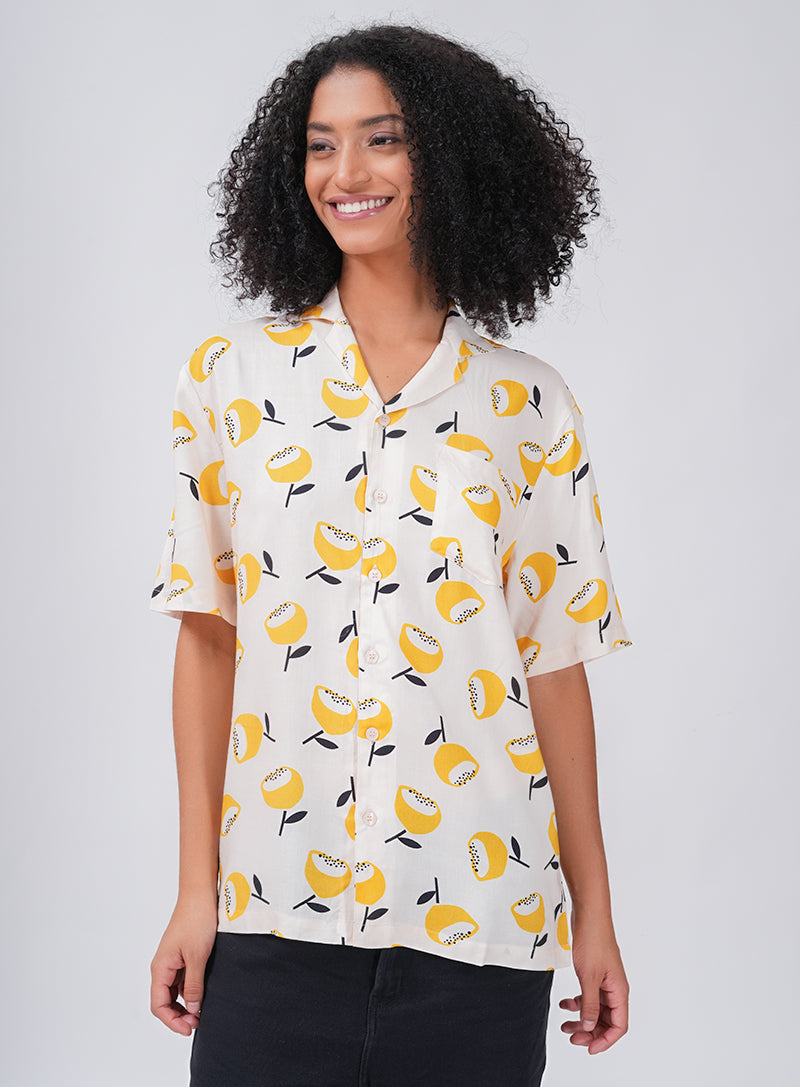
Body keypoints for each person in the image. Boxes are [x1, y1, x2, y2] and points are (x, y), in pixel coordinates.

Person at [148, 23, 632, 1086]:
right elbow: (208, 638)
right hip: (271, 916)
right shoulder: (230, 381)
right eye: (320, 145)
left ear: (447, 157)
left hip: (483, 924)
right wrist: (195, 891)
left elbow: (554, 669)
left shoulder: (528, 404)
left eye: (382, 139)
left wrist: (593, 915)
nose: (346, 173)